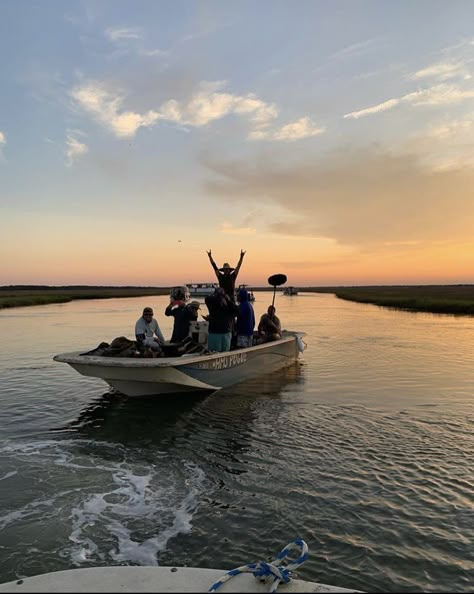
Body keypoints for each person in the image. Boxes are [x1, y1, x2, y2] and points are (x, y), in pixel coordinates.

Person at [205, 287, 239, 352]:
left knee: (214, 353)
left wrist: (219, 297)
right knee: (224, 354)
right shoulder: (228, 306)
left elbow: (207, 299)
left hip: (215, 332)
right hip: (225, 332)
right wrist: (228, 300)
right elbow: (237, 310)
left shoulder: (212, 304)